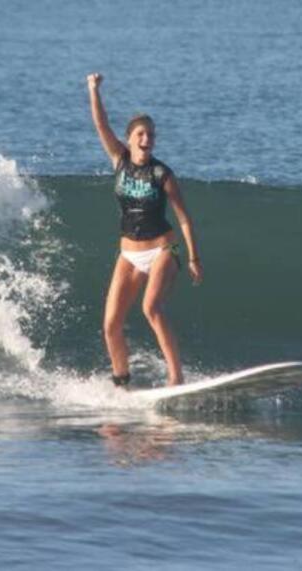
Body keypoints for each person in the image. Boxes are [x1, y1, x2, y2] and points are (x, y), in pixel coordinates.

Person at [87, 72, 203, 387]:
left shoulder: (162, 173)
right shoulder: (119, 160)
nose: (146, 139)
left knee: (151, 307)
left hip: (164, 249)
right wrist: (93, 89)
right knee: (110, 325)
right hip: (129, 253)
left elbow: (184, 218)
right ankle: (122, 382)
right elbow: (101, 125)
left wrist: (193, 258)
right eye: (140, 133)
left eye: (150, 134)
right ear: (129, 138)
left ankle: (175, 378)